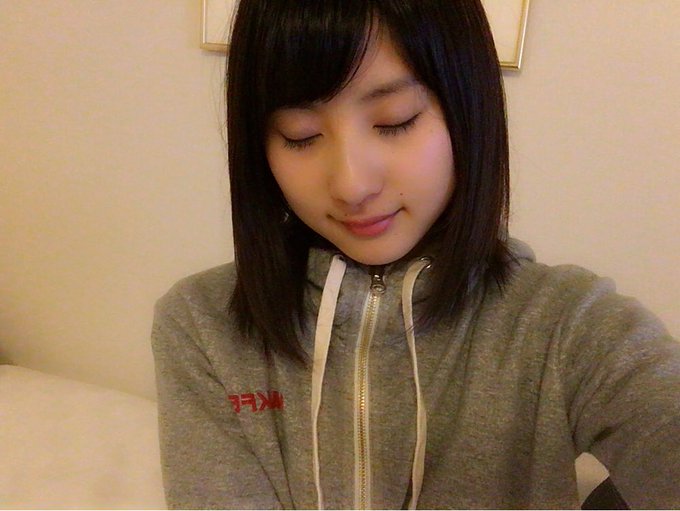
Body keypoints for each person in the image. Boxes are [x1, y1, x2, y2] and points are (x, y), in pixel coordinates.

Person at [150, 1, 680, 508]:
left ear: (467, 108)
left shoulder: (571, 325)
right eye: (301, 135)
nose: (352, 185)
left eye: (394, 120)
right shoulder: (201, 324)